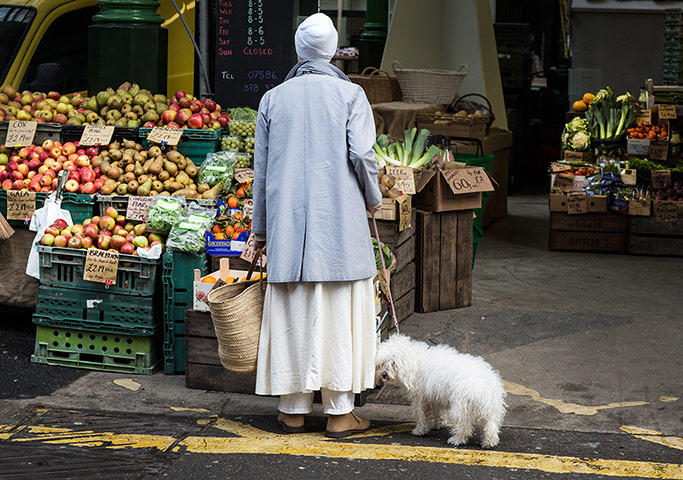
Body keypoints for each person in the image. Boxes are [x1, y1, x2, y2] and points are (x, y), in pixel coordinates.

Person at [251, 12, 382, 438]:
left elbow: (263, 174)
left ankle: (291, 411)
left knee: (293, 312)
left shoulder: (273, 98)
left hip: (288, 227)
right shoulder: (351, 95)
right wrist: (373, 198)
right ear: (333, 50)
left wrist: (261, 230)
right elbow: (363, 155)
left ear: (298, 49)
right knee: (338, 313)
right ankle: (341, 414)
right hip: (339, 225)